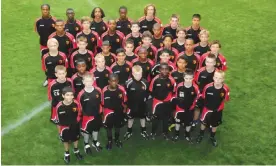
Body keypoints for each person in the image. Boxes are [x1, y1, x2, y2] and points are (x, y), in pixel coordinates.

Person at [196, 70, 230, 147]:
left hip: (218, 110)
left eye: (220, 78)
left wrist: (218, 106)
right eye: (216, 78)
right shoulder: (207, 87)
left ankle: (212, 137)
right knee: (203, 123)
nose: (218, 80)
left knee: (215, 124)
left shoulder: (226, 89)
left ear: (223, 79)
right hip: (207, 110)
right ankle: (201, 135)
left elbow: (225, 99)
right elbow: (204, 97)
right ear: (213, 78)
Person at [51, 87, 83, 164]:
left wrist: (77, 122)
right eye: (67, 95)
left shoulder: (76, 103)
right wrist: (59, 133)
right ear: (63, 96)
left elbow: (79, 114)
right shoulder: (59, 106)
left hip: (75, 126)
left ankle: (76, 150)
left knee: (76, 138)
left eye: (71, 95)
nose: (70, 97)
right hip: (64, 128)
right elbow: (57, 121)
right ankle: (67, 153)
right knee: (65, 141)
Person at [77, 73, 103, 154]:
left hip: (97, 115)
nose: (89, 83)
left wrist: (101, 112)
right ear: (83, 82)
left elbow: (101, 102)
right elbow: (79, 107)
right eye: (86, 81)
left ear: (93, 81)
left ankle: (95, 141)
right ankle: (86, 143)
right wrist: (80, 117)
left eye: (90, 81)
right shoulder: (81, 94)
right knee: (86, 131)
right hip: (86, 117)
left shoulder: (98, 90)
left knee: (96, 129)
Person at [172, 69, 200, 142]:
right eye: (186, 78)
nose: (188, 80)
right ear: (184, 78)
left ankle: (187, 134)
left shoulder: (195, 87)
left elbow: (197, 98)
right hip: (180, 108)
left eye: (190, 78)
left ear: (193, 78)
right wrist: (178, 105)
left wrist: (192, 106)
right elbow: (176, 96)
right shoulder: (179, 86)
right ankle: (176, 134)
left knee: (188, 123)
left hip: (190, 109)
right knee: (178, 121)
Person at [149, 63, 176, 140]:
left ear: (168, 70)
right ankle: (153, 132)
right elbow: (151, 91)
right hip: (157, 103)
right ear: (159, 70)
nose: (164, 71)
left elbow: (173, 91)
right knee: (155, 118)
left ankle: (165, 133)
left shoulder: (171, 80)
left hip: (167, 103)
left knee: (166, 118)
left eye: (166, 69)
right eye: (162, 69)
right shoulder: (155, 79)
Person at [124, 65, 150, 140]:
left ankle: (143, 130)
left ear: (142, 73)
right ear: (132, 73)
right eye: (136, 74)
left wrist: (145, 100)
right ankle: (129, 131)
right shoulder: (128, 83)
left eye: (140, 74)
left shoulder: (145, 82)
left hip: (142, 104)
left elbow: (147, 93)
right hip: (131, 105)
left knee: (142, 117)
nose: (138, 76)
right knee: (130, 118)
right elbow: (125, 94)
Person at [102, 74, 127, 150]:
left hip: (118, 111)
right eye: (112, 81)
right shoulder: (104, 91)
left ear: (118, 81)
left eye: (115, 81)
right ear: (109, 81)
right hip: (108, 112)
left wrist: (124, 112)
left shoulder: (121, 89)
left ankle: (117, 139)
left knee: (117, 126)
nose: (114, 83)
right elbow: (102, 104)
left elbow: (125, 101)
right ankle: (109, 141)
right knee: (109, 128)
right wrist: (103, 116)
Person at [193, 54, 218, 126]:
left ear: (214, 63)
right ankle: (195, 121)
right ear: (205, 62)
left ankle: (208, 122)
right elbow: (196, 82)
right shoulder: (200, 71)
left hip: (212, 94)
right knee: (197, 107)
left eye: (211, 62)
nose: (209, 64)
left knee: (209, 109)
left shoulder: (217, 72)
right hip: (201, 93)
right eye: (207, 62)